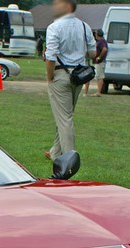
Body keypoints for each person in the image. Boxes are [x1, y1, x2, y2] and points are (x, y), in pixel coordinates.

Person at [44, 0, 95, 160]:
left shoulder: (54, 27)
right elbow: (93, 53)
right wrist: (78, 53)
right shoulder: (84, 26)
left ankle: (68, 160)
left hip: (60, 74)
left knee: (65, 119)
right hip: (79, 76)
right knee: (65, 115)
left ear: (67, 7)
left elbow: (50, 55)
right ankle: (55, 152)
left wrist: (49, 77)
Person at [84, 29, 108, 97]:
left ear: (97, 34)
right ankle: (98, 92)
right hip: (98, 62)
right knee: (98, 76)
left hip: (100, 62)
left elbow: (104, 49)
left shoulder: (101, 41)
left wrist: (99, 57)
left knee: (100, 77)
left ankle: (98, 92)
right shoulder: (101, 41)